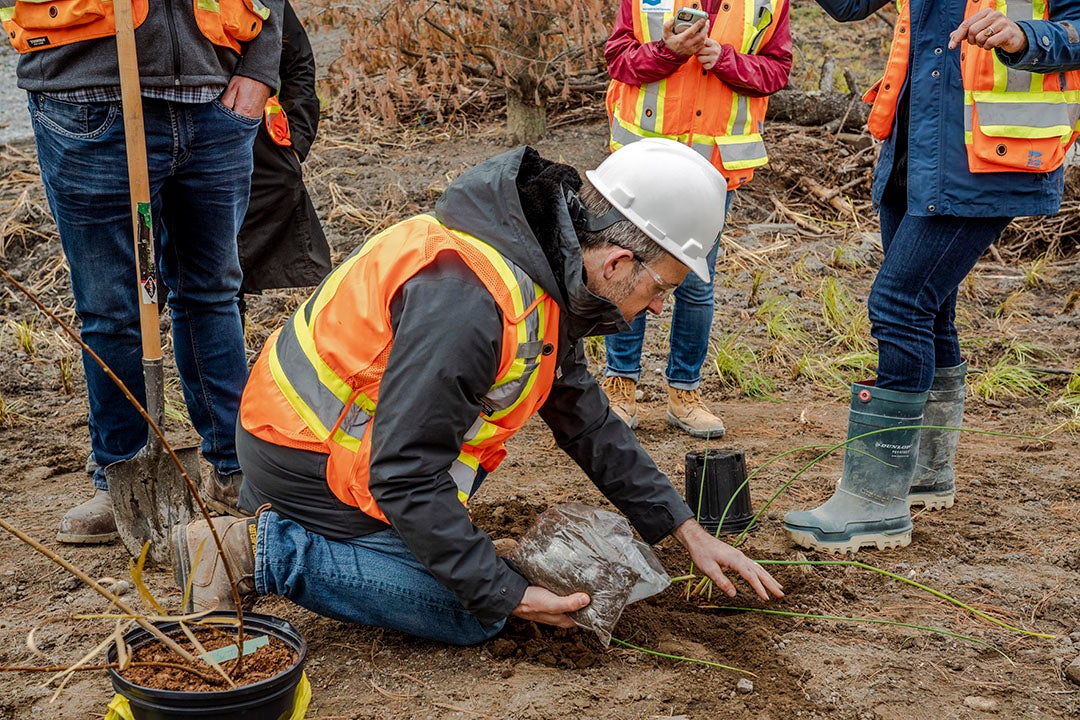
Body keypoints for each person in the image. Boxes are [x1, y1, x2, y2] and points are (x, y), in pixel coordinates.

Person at [172, 139, 784, 645]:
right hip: (309, 459)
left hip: (345, 450)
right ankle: (260, 548)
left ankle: (346, 542)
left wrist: (682, 527)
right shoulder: (470, 301)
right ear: (620, 261)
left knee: (483, 576)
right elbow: (403, 474)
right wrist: (505, 592)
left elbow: (584, 417)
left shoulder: (541, 263)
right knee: (478, 612)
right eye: (662, 287)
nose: (657, 306)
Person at [784, 1, 1080, 553]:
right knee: (930, 305)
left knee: (899, 304)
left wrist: (1024, 36)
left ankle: (876, 502)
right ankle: (924, 470)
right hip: (916, 151)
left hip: (988, 155)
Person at [5, 0, 284, 541]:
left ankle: (234, 468)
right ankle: (122, 475)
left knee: (213, 294)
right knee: (114, 309)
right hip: (87, 104)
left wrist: (259, 72)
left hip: (215, 103)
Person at [598, 0, 791, 438]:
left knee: (697, 284)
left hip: (711, 170)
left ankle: (685, 392)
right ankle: (619, 384)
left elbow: (777, 72)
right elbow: (618, 60)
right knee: (625, 270)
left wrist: (726, 61)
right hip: (641, 163)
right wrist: (667, 52)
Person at [235, 0, 331, 319]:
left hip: (257, 155)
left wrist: (296, 139)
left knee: (224, 290)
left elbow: (298, 61)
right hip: (161, 157)